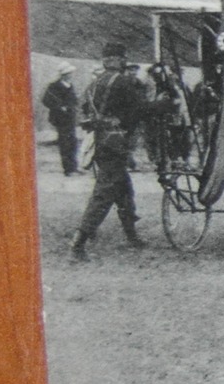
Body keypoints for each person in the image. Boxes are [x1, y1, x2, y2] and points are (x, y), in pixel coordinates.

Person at [69, 42, 168, 261]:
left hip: (101, 141)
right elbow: (140, 109)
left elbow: (84, 112)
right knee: (104, 193)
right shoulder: (122, 82)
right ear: (113, 59)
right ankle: (78, 242)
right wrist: (162, 104)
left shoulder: (95, 83)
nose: (124, 61)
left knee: (123, 189)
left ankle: (132, 237)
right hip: (116, 142)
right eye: (121, 58)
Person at [42, 62, 81, 176]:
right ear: (63, 74)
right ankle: (68, 169)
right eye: (68, 73)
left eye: (70, 73)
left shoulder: (70, 85)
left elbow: (73, 100)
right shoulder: (53, 86)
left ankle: (73, 167)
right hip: (61, 119)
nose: (70, 75)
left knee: (72, 142)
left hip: (70, 117)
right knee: (65, 143)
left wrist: (74, 104)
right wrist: (59, 107)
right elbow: (46, 100)